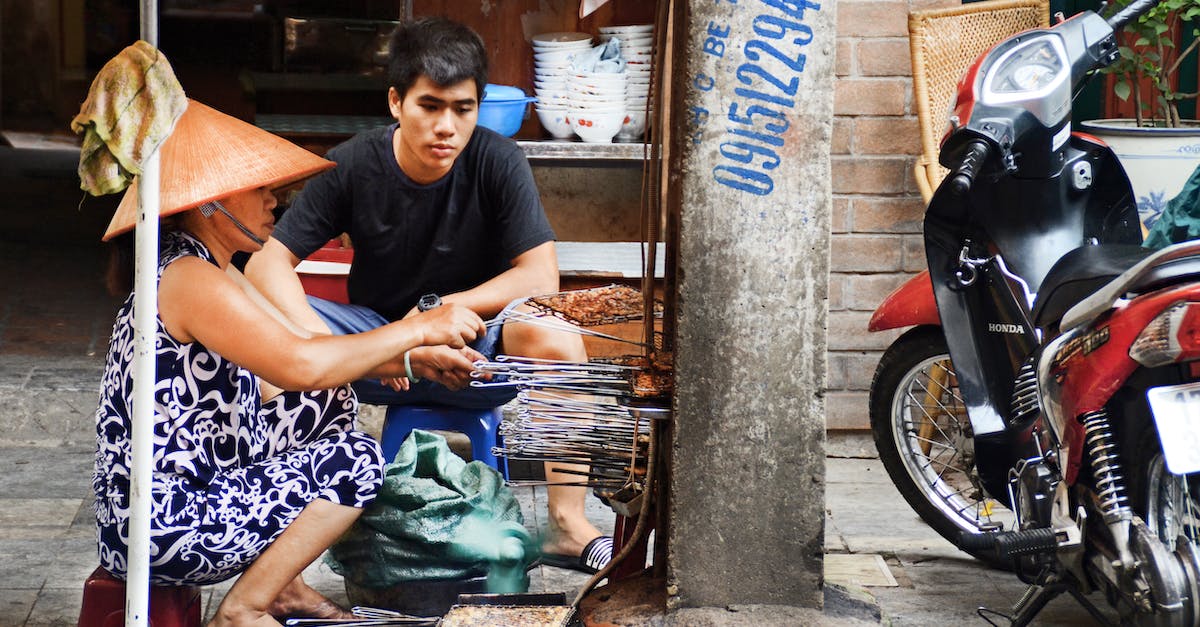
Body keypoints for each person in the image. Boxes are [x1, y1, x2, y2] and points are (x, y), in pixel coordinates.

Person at [92, 99, 486, 625]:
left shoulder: (210, 267)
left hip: (186, 491)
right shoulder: (187, 276)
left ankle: (285, 589)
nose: (273, 199)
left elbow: (302, 348)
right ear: (209, 202)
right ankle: (245, 608)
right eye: (258, 188)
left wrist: (409, 360)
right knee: (356, 461)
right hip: (161, 525)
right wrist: (415, 327)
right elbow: (299, 364)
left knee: (325, 403)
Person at [244, 16, 612, 573]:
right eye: (429, 106)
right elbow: (266, 262)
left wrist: (445, 312)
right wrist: (348, 345)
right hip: (372, 349)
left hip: (475, 353)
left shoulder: (497, 160)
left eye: (462, 109)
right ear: (396, 102)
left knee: (553, 331)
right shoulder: (352, 163)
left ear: (479, 107)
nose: (446, 126)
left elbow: (540, 277)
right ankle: (282, 551)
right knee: (258, 322)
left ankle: (567, 524)